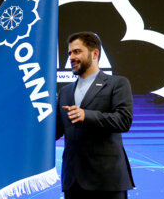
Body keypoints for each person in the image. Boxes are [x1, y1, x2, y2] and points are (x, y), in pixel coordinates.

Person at [56, 31, 135, 199]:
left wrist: (87, 115)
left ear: (95, 54)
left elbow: (123, 121)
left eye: (77, 51)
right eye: (70, 53)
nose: (71, 57)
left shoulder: (117, 84)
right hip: (73, 182)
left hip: (107, 181)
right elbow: (55, 131)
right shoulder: (65, 91)